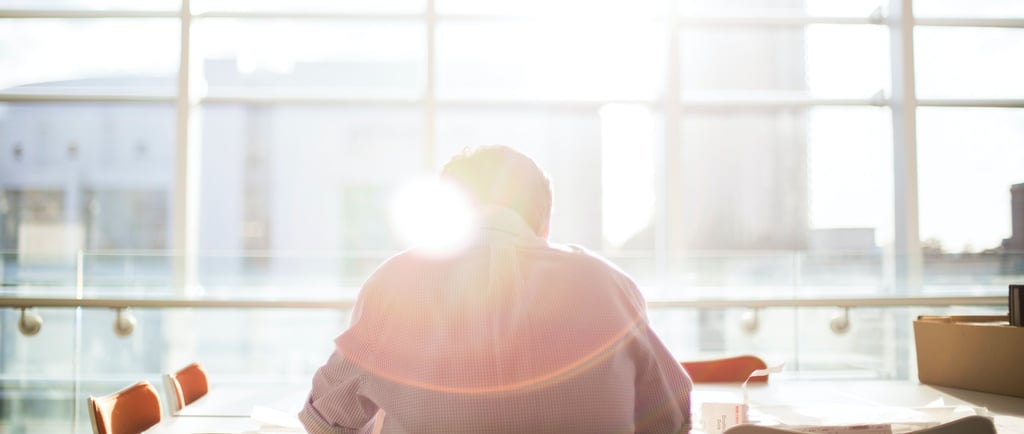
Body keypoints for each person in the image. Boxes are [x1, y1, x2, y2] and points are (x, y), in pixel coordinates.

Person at [299, 145, 692, 434]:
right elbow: (672, 417)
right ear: (544, 224)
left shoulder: (394, 284)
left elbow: (325, 421)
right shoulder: (608, 285)